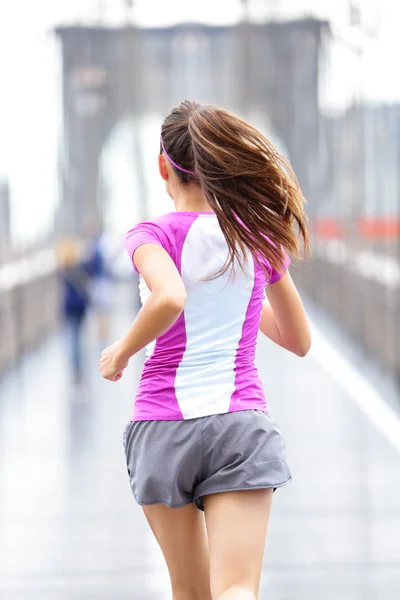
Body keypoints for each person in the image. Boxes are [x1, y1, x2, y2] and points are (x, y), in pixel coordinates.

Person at [99, 100, 311, 600]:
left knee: (189, 592)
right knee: (236, 588)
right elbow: (298, 341)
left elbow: (170, 295)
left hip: (162, 427)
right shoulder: (257, 235)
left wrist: (121, 351)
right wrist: (236, 303)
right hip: (238, 425)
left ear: (161, 167)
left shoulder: (149, 235)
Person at [57, 237, 91, 384]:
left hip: (69, 306)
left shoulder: (63, 268)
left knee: (72, 337)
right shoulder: (79, 266)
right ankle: (78, 365)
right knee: (78, 336)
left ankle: (75, 367)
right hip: (80, 306)